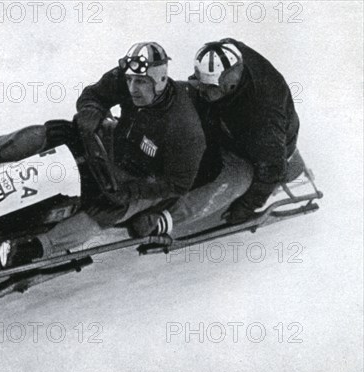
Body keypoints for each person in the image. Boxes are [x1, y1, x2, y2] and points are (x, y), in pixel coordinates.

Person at [0, 42, 206, 267]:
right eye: (129, 80)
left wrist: (134, 191)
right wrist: (91, 112)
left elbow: (178, 184)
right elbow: (93, 95)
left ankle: (33, 249)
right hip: (115, 143)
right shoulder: (125, 81)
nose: (133, 88)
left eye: (141, 82)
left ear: (158, 82)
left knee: (107, 208)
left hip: (142, 179)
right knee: (55, 130)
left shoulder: (184, 128)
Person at [131, 38, 306, 238]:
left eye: (209, 88)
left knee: (237, 177)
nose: (202, 90)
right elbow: (200, 89)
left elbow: (273, 169)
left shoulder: (264, 118)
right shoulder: (225, 52)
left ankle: (165, 219)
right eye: (201, 82)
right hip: (227, 122)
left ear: (229, 86)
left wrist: (246, 207)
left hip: (251, 154)